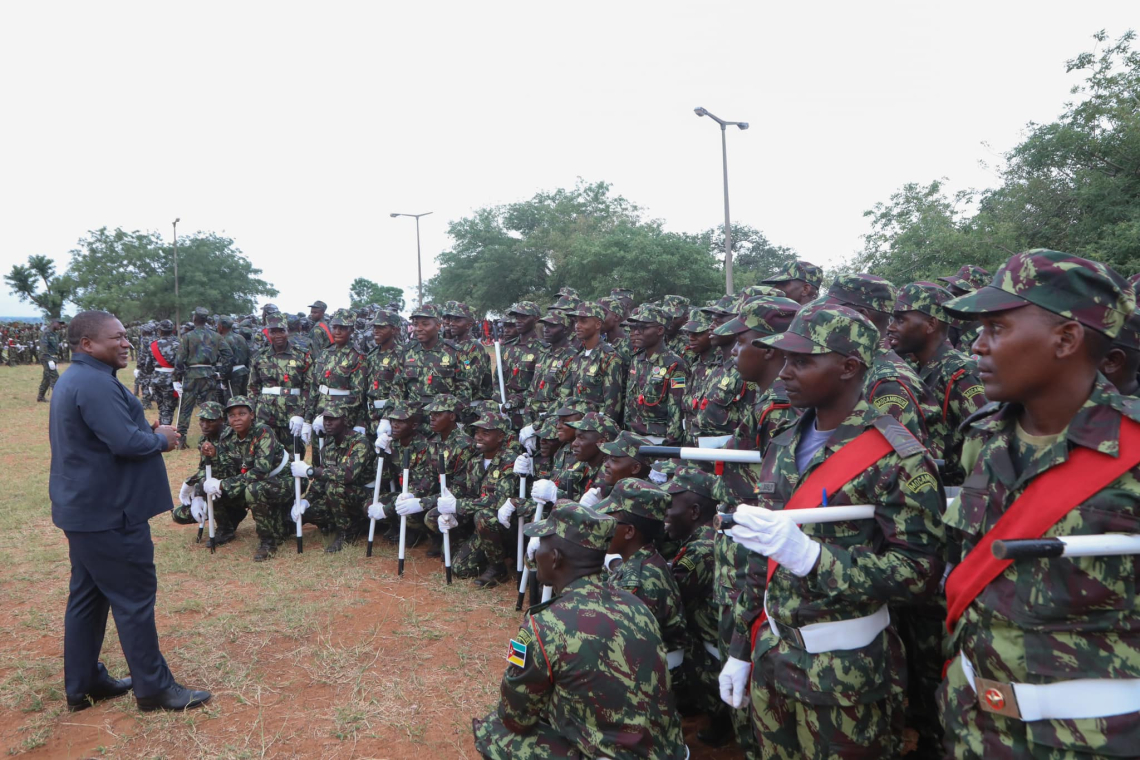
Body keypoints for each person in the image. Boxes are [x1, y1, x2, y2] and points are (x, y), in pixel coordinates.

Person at [937, 249, 1140, 758]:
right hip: (976, 724)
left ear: (1066, 338)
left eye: (996, 328)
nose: (977, 348)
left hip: (1095, 739)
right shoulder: (983, 437)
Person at [722, 301, 945, 758]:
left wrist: (814, 560)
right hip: (772, 656)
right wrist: (741, 647)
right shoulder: (784, 444)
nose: (785, 372)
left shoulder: (897, 457)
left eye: (802, 361)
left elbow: (921, 573)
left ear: (848, 367)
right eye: (785, 359)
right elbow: (758, 557)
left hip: (846, 673)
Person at [49, 310, 210, 712]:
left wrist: (145, 432)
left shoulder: (82, 378)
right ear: (87, 344)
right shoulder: (94, 383)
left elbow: (109, 436)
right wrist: (160, 439)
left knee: (88, 597)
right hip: (108, 514)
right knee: (133, 599)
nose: (126, 343)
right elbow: (125, 443)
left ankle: (84, 684)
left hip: (88, 512)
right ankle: (154, 689)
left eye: (126, 336)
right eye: (116, 337)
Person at [474, 502, 687, 759]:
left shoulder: (545, 625)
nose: (535, 552)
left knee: (493, 730)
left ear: (555, 558)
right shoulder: (634, 603)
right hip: (667, 750)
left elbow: (515, 717)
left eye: (541, 544)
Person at [888, 281, 989, 485]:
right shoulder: (915, 369)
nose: (891, 327)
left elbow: (986, 446)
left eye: (900, 320)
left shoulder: (960, 373)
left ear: (931, 324)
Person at [663, 464, 728, 746]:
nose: (665, 514)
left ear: (694, 513)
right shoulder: (708, 537)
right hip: (717, 634)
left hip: (715, 645)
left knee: (664, 633)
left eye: (670, 506)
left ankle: (721, 713)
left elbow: (667, 596)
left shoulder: (700, 549)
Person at [596, 478, 689, 672]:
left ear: (629, 531)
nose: (603, 525)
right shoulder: (641, 561)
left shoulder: (638, 581)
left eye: (609, 520)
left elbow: (620, 649)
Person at [199, 396, 294, 561]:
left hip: (282, 481)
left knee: (254, 491)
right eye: (232, 415)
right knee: (207, 483)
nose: (236, 419)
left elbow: (260, 471)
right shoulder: (228, 436)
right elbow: (227, 469)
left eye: (241, 413)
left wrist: (223, 484)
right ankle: (226, 529)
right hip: (251, 481)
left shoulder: (263, 432)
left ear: (251, 415)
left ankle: (268, 541)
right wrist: (214, 456)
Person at [291, 397, 376, 553]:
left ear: (345, 420)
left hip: (363, 494)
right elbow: (322, 479)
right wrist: (306, 501)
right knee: (308, 512)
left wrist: (310, 471)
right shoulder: (329, 446)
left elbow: (347, 475)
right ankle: (345, 523)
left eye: (333, 419)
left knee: (334, 487)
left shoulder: (360, 443)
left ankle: (346, 532)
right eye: (326, 419)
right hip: (342, 496)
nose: (328, 423)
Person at [248, 313, 312, 460]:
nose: (277, 335)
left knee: (294, 455)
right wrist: (252, 414)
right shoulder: (259, 356)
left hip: (292, 414)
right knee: (265, 453)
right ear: (268, 333)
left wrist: (302, 414)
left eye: (281, 331)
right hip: (265, 413)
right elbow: (252, 387)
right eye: (273, 332)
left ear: (287, 331)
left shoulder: (301, 356)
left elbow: (309, 387)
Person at [624, 304, 688, 445]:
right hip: (633, 435)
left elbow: (676, 410)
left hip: (658, 439)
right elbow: (629, 404)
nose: (636, 333)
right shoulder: (637, 360)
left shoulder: (675, 364)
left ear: (660, 330)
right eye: (635, 328)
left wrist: (670, 445)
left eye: (644, 328)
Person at [175, 307, 233, 449]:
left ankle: (181, 439)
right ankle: (212, 438)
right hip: (209, 374)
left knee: (186, 408)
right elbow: (228, 355)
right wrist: (222, 373)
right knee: (210, 407)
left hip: (192, 376)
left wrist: (178, 376)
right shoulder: (216, 336)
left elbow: (179, 359)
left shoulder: (187, 337)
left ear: (194, 319)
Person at [567, 301, 624, 423]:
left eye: (583, 321)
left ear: (598, 324)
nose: (577, 326)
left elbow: (612, 405)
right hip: (574, 423)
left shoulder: (610, 357)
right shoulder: (577, 356)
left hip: (595, 428)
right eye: (576, 321)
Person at [171, 402, 226, 526]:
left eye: (210, 421)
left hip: (230, 487)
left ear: (221, 420)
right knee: (180, 514)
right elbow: (205, 469)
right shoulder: (203, 439)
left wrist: (191, 482)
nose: (205, 426)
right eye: (202, 420)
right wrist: (197, 496)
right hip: (210, 486)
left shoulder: (230, 438)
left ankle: (226, 527)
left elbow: (222, 471)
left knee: (212, 487)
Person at [444, 301, 494, 402]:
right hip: (451, 399)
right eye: (451, 320)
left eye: (457, 320)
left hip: (472, 403)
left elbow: (472, 382)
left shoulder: (475, 348)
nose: (452, 324)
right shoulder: (450, 344)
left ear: (469, 325)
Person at [144, 320, 180, 427]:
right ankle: (165, 432)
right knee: (168, 408)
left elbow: (148, 366)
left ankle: (161, 430)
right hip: (171, 380)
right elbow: (181, 365)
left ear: (159, 331)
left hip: (155, 379)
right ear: (172, 330)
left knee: (161, 408)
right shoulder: (177, 345)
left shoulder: (153, 345)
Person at [219, 316, 251, 396]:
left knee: (232, 403)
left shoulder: (223, 340)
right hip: (245, 372)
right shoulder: (241, 337)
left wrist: (224, 379)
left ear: (221, 326)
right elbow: (248, 356)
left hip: (233, 375)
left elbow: (227, 361)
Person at [37, 318, 63, 402]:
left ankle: (40, 397)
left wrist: (55, 359)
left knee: (47, 378)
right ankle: (58, 399)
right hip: (47, 358)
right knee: (55, 377)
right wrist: (49, 360)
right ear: (53, 323)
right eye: (58, 323)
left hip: (53, 358)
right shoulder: (46, 333)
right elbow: (43, 348)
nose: (60, 325)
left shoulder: (55, 334)